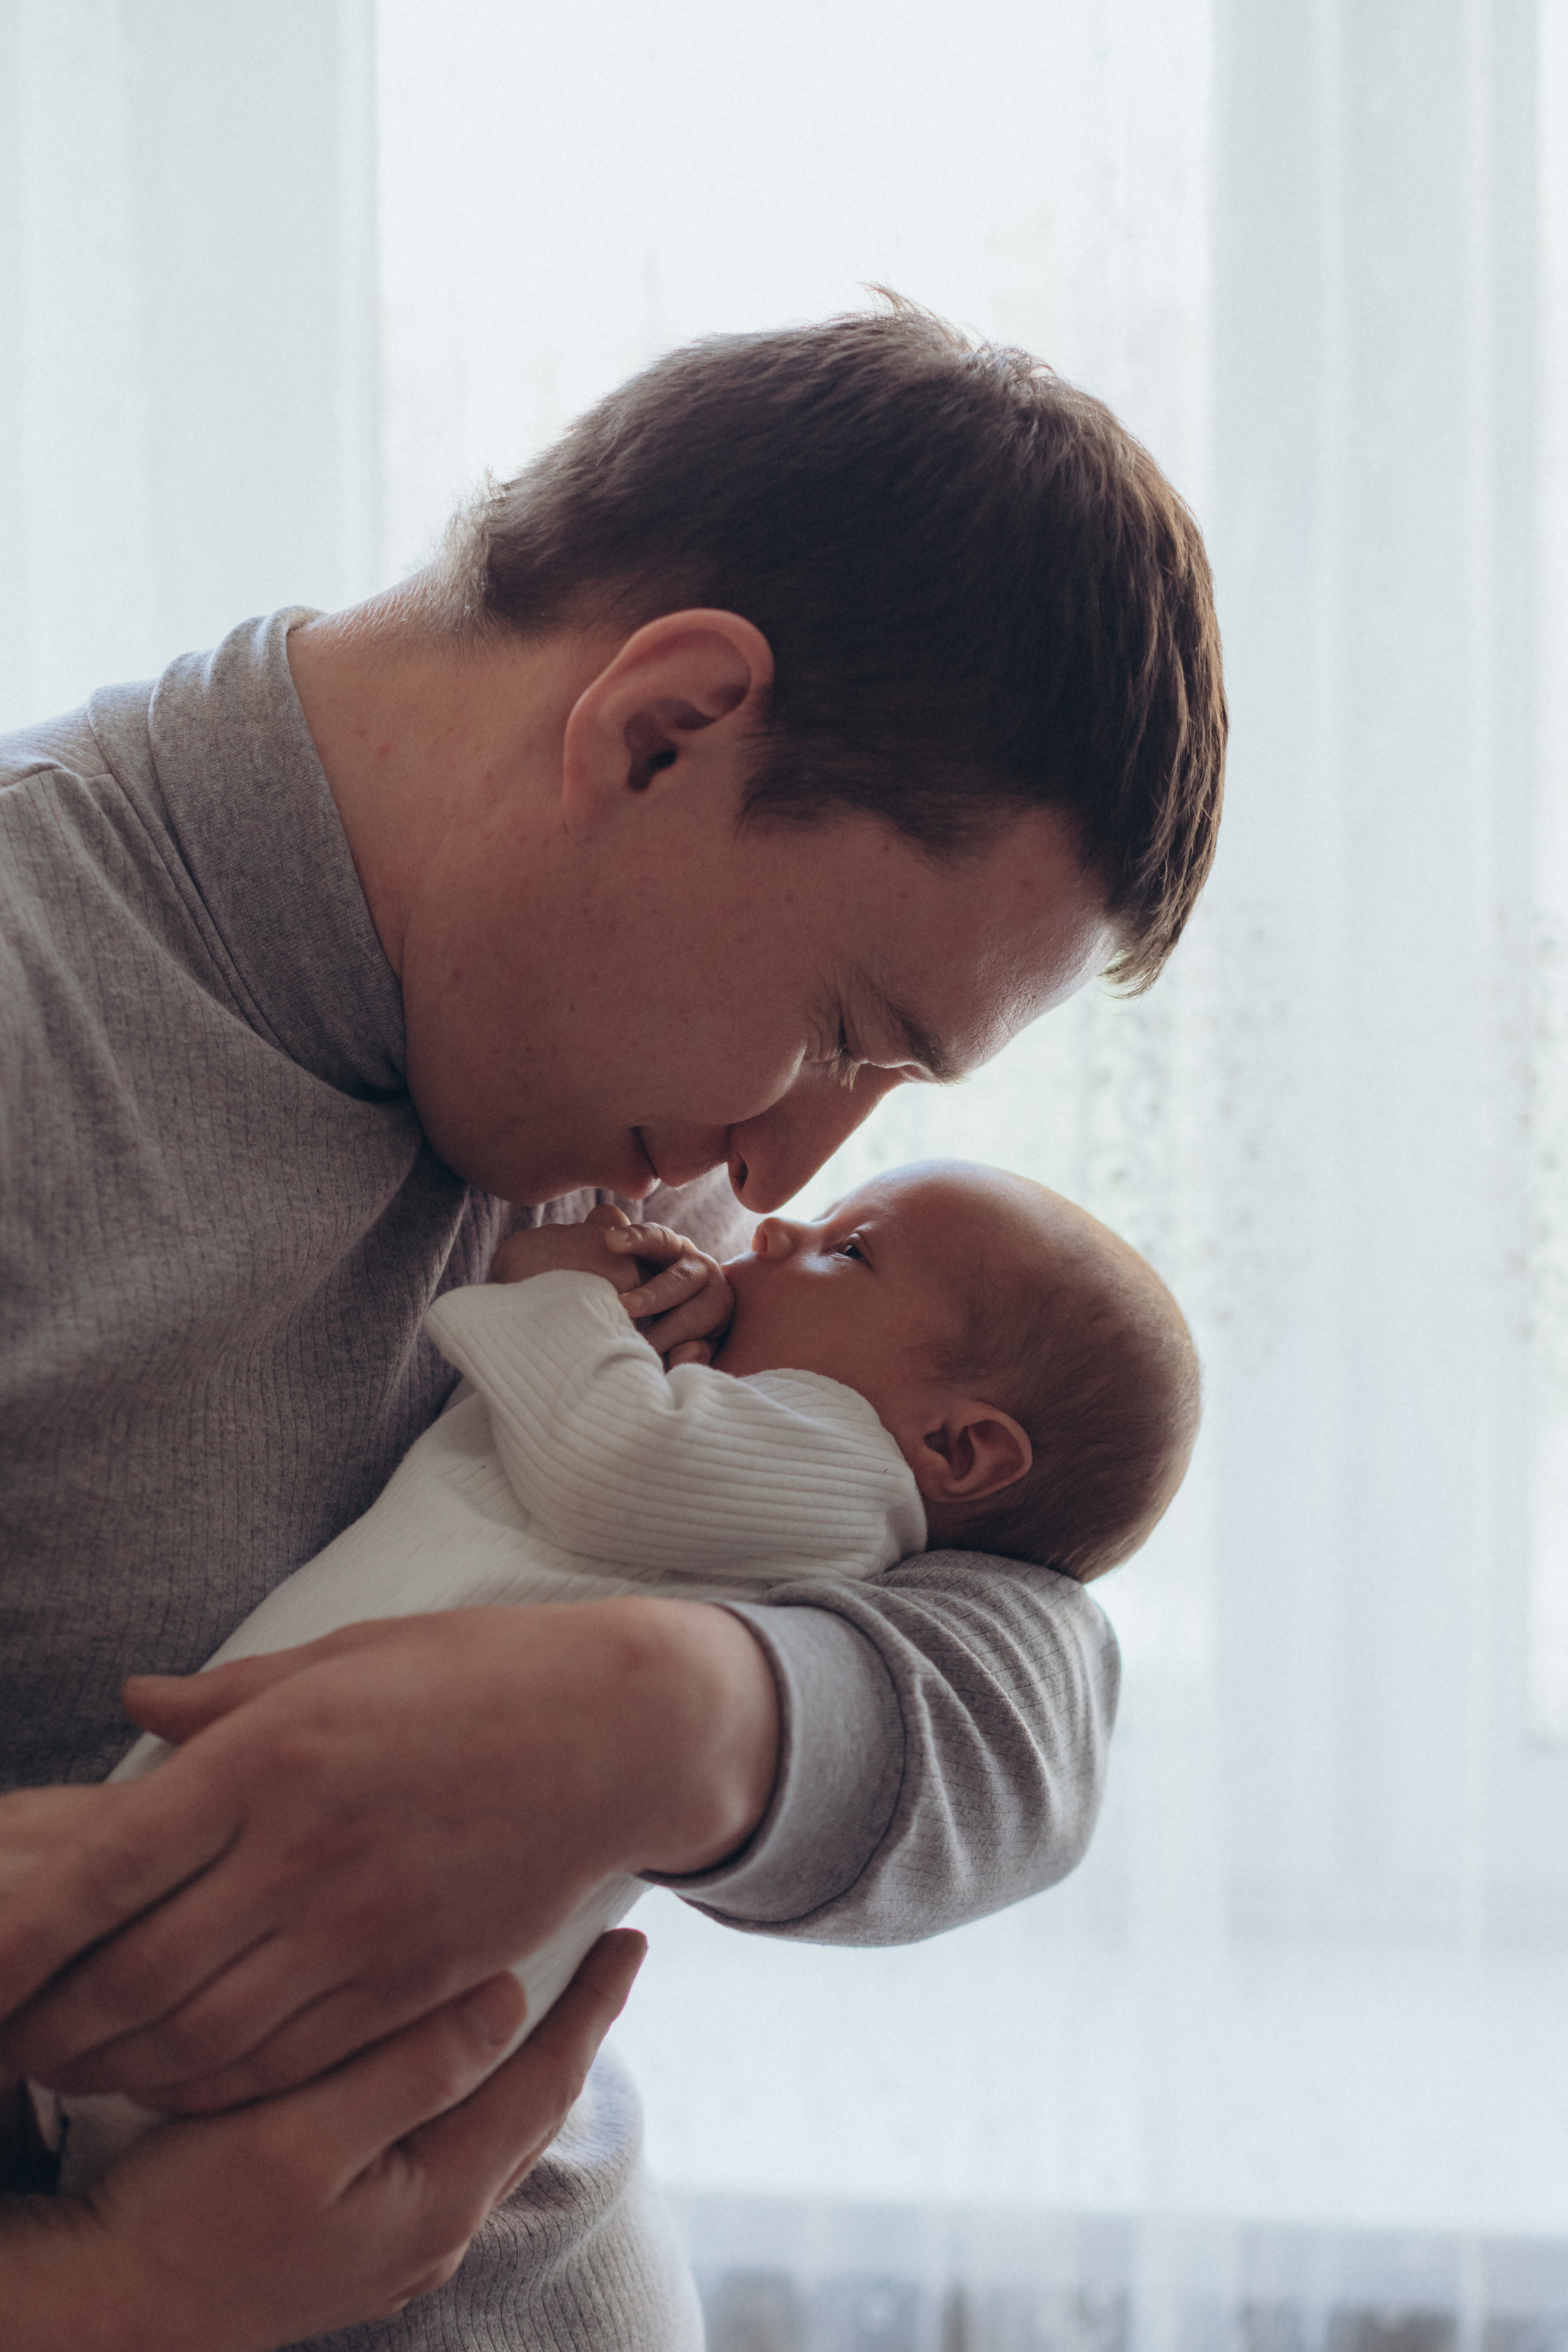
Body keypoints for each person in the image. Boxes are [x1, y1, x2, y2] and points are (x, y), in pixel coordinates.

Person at [0, 302, 1226, 2349]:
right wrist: (103, 2300)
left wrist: (683, 1723)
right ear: (663, 728)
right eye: (845, 1030)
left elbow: (1039, 1671)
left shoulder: (636, 1112)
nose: (770, 1174)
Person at [37, 1160, 1200, 2193]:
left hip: (289, 1988)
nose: (781, 1229)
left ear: (957, 1448)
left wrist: (555, 1287)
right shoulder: (767, 1430)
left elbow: (608, 1454)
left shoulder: (837, 1464)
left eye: (850, 1251)